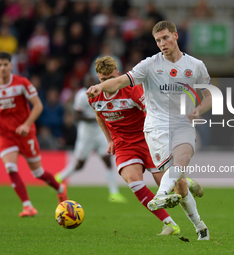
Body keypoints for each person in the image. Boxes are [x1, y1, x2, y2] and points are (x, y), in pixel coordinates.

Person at [87, 21, 212, 240]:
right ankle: (183, 223)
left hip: (172, 129)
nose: (162, 43)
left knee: (179, 178)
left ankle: (173, 202)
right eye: (158, 40)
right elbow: (114, 92)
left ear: (175, 36)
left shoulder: (196, 65)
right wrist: (100, 89)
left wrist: (199, 109)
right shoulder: (148, 65)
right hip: (145, 136)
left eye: (165, 38)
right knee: (153, 182)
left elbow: (210, 95)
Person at [0, 52, 68, 217]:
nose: (2, 68)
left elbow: (38, 106)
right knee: (10, 167)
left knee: (37, 173)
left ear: (11, 65)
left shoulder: (22, 83)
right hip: (6, 134)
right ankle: (28, 206)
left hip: (26, 134)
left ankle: (60, 188)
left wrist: (27, 124)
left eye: (5, 64)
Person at [55, 74, 126, 203]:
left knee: (107, 160)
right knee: (80, 164)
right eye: (89, 80)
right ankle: (60, 177)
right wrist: (96, 118)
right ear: (85, 82)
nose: (92, 82)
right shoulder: (82, 95)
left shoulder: (102, 92)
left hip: (99, 132)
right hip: (86, 134)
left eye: (93, 80)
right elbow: (76, 116)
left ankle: (114, 193)